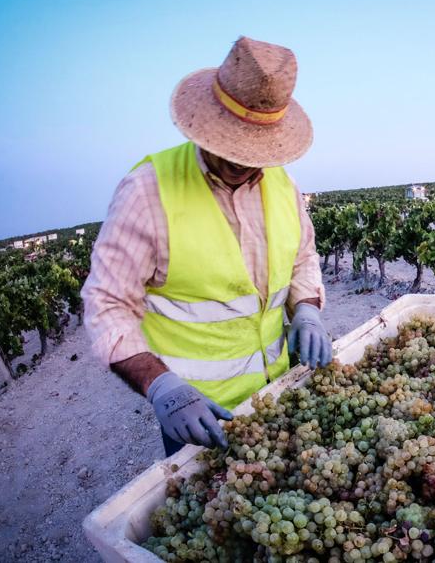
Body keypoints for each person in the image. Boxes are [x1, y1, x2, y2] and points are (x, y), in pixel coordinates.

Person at [82, 37, 332, 457]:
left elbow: (302, 256)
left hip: (280, 392)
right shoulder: (147, 192)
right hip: (200, 413)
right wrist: (161, 386)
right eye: (232, 143)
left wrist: (306, 308)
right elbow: (106, 305)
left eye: (255, 149)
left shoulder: (282, 185)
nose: (241, 160)